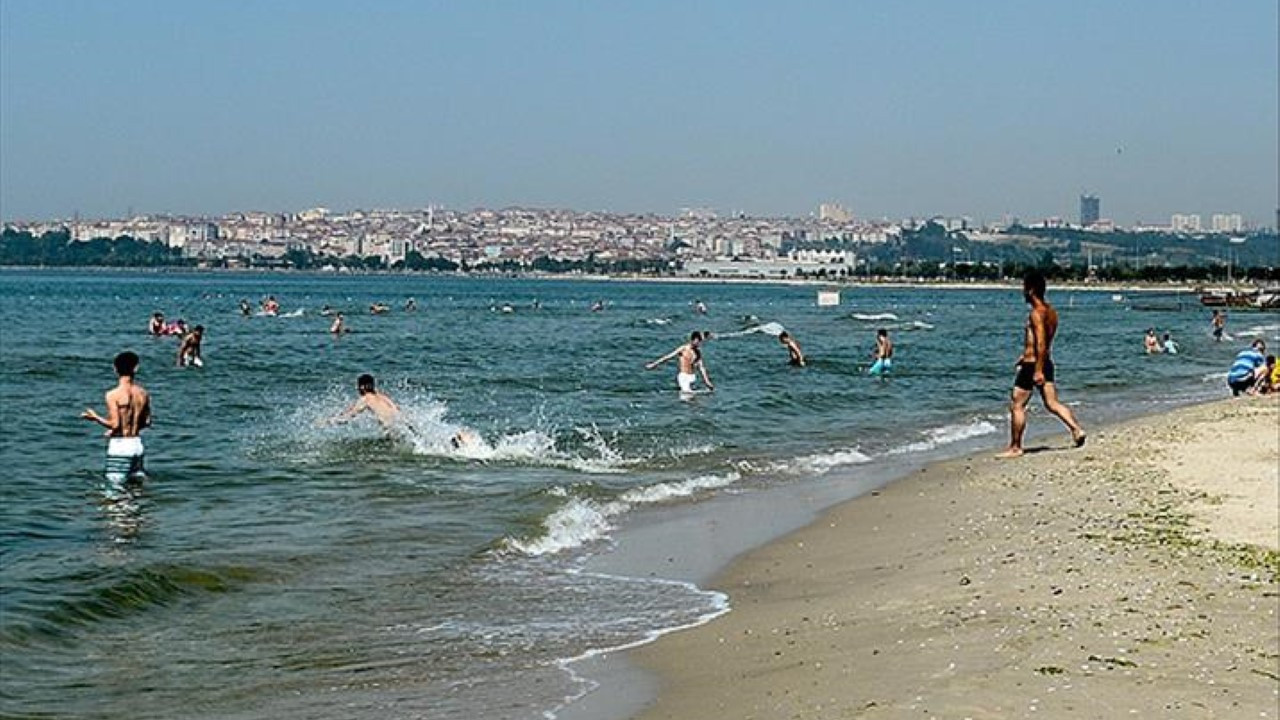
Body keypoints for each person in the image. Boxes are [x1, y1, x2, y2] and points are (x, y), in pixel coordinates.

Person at [998, 270, 1087, 458]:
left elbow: (1040, 341)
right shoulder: (1052, 312)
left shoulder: (1036, 314)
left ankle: (1015, 447)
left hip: (1034, 365)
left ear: (1030, 290)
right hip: (1044, 361)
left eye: (1024, 288)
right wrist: (1028, 357)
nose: (1022, 292)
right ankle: (1076, 429)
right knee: (1052, 403)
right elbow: (1044, 341)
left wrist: (1036, 369)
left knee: (1017, 404)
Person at [81, 351, 152, 483]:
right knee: (136, 489)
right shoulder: (143, 394)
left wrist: (95, 417)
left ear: (115, 369)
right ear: (136, 368)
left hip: (120, 446)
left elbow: (115, 424)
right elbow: (147, 422)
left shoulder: (113, 394)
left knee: (115, 491)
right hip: (136, 444)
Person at [646, 331, 714, 395]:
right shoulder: (683, 349)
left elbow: (701, 367)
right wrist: (654, 364)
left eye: (700, 341)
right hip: (683, 376)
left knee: (693, 398)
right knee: (687, 397)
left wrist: (707, 381)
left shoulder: (698, 352)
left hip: (692, 377)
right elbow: (668, 357)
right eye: (698, 341)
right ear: (693, 340)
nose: (699, 343)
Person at [330, 374, 404, 430]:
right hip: (401, 425)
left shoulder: (366, 399)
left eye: (358, 386)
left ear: (362, 387)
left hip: (391, 429)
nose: (357, 389)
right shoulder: (382, 396)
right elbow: (397, 409)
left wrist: (329, 422)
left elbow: (348, 416)